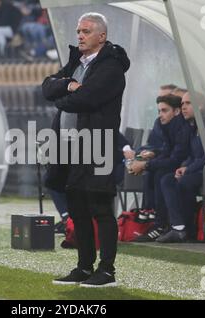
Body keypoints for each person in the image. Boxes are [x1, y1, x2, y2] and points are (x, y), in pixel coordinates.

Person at [42, 12, 130, 287]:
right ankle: (83, 266)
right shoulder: (76, 62)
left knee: (101, 207)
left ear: (101, 36)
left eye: (86, 31)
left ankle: (107, 271)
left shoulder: (111, 66)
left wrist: (63, 98)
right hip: (69, 145)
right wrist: (67, 85)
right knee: (78, 207)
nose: (79, 35)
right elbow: (47, 87)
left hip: (97, 144)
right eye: (79, 31)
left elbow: (86, 99)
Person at [129, 94, 191, 242]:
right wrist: (152, 153)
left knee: (162, 176)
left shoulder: (183, 128)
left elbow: (176, 158)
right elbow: (163, 149)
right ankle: (154, 217)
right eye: (159, 111)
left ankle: (162, 224)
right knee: (155, 172)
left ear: (176, 112)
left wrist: (146, 164)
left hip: (185, 167)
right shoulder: (164, 124)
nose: (160, 115)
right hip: (176, 165)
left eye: (164, 110)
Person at [157, 91, 205, 242]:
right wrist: (184, 167)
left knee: (184, 182)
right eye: (182, 103)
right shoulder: (193, 127)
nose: (183, 107)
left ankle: (188, 229)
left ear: (201, 106)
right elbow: (193, 155)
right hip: (197, 169)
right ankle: (178, 227)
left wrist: (188, 169)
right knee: (167, 179)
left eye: (188, 103)